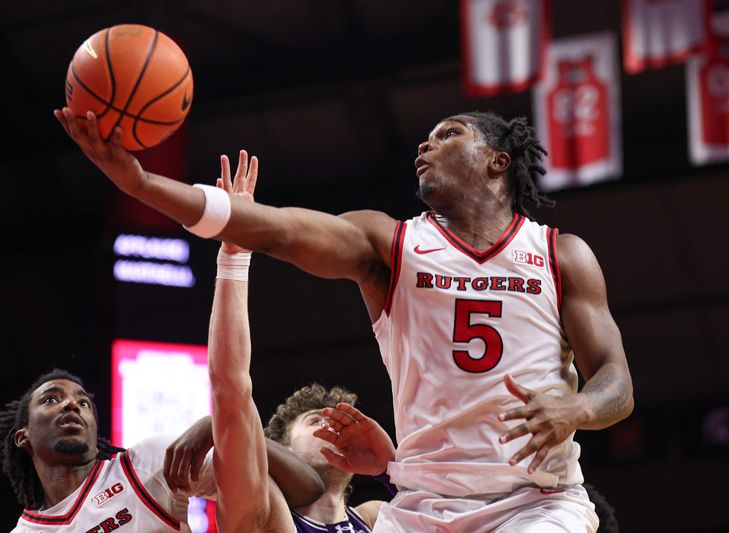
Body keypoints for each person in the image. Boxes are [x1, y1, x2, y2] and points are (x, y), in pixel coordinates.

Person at [55, 107, 634, 531]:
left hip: (533, 502)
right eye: (425, 137)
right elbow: (275, 227)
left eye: (447, 134)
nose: (423, 146)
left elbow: (617, 382)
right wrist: (142, 183)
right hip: (419, 510)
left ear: (496, 161)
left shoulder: (561, 255)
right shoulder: (387, 242)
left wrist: (578, 406)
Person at [160, 155, 392, 532]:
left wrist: (389, 468)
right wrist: (235, 257)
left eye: (339, 423)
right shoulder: (266, 509)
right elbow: (232, 388)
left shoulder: (375, 517)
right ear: (283, 450)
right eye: (316, 421)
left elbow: (456, 510)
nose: (332, 429)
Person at [0, 368, 322, 532]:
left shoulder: (145, 464)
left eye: (84, 402)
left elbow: (306, 488)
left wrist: (219, 429)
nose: (73, 404)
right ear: (23, 437)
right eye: (52, 399)